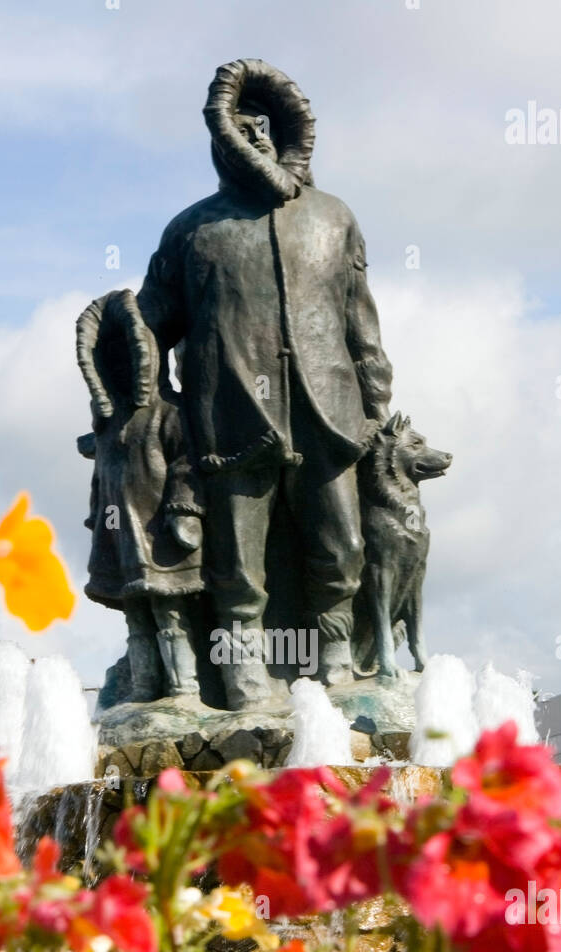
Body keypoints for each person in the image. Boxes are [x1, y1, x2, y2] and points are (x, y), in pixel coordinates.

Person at [137, 59, 393, 710]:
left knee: (343, 544)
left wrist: (374, 401)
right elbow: (150, 326)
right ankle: (243, 669)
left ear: (284, 134)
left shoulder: (335, 217)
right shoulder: (192, 229)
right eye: (238, 129)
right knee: (237, 559)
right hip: (229, 415)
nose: (253, 140)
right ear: (220, 142)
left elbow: (359, 317)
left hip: (326, 406)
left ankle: (338, 659)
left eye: (263, 128)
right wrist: (151, 407)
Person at [76, 289, 204, 701]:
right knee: (136, 617)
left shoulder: (170, 412)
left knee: (170, 612)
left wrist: (184, 511)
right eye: (109, 359)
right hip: (120, 536)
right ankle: (146, 688)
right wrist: (97, 515)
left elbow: (186, 463)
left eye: (127, 356)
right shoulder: (107, 424)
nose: (119, 366)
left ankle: (184, 687)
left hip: (160, 534)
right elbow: (101, 475)